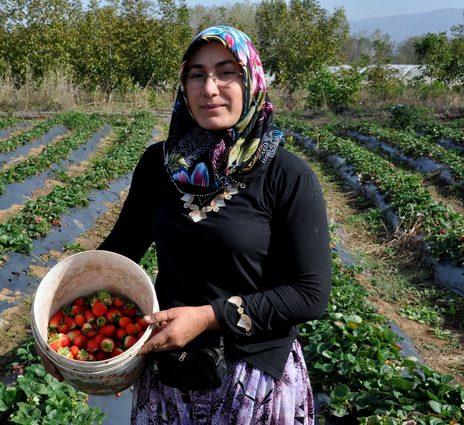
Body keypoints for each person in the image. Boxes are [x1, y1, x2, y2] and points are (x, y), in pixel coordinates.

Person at [68, 25, 330, 424]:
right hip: (169, 372)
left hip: (252, 379)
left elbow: (310, 295)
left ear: (251, 81)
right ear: (184, 85)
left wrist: (207, 317)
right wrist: (69, 335)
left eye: (226, 72)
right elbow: (121, 250)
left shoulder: (287, 175)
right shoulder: (159, 165)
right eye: (197, 74)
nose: (210, 88)